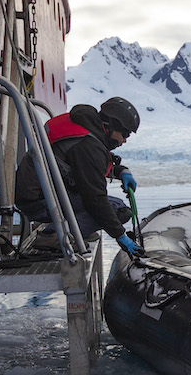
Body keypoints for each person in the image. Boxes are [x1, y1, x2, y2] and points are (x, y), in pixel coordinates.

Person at [15, 97, 142, 256]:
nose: (124, 140)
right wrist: (120, 235)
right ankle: (54, 236)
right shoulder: (88, 146)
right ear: (110, 126)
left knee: (116, 205)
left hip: (40, 192)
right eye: (125, 134)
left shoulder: (84, 128)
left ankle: (77, 231)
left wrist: (120, 171)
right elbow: (95, 198)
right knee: (117, 211)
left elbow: (80, 167)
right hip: (39, 201)